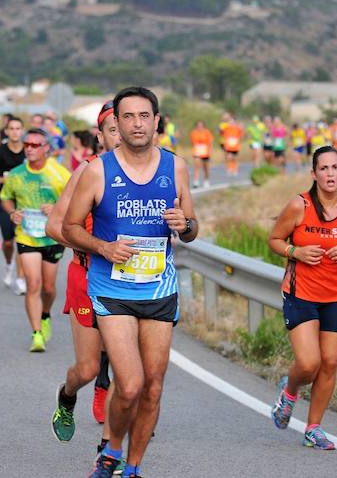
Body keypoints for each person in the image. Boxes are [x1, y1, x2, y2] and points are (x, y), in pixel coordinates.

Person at [64, 86, 198, 478]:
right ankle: (111, 451)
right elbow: (70, 227)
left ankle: (133, 467)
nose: (137, 124)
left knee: (153, 386)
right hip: (112, 290)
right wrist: (103, 248)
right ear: (116, 125)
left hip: (159, 288)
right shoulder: (97, 170)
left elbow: (192, 228)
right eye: (128, 117)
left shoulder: (176, 167)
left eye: (144, 116)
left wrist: (184, 225)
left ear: (157, 121)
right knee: (130, 384)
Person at [267, 145, 337, 450]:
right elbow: (274, 240)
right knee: (309, 363)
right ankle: (290, 390)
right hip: (301, 293)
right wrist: (295, 251)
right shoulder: (299, 206)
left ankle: (313, 428)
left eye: (334, 167)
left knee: (330, 363)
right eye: (323, 168)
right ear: (314, 174)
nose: (329, 174)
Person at [46, 101, 121, 454]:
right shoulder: (86, 172)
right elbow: (53, 226)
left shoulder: (154, 173)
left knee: (128, 367)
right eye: (112, 130)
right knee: (88, 368)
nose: (121, 136)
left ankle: (108, 450)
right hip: (88, 277)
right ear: (100, 136)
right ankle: (68, 394)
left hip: (131, 282)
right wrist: (95, 247)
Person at [0, 127, 71, 352]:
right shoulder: (17, 174)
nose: (29, 149)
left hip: (52, 237)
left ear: (46, 148)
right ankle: (37, 333)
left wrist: (57, 208)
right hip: (27, 236)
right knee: (33, 284)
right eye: (26, 145)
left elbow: (76, 202)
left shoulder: (60, 174)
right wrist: (12, 213)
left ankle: (46, 314)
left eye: (34, 145)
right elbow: (5, 199)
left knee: (48, 288)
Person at [0, 115, 27, 294]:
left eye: (17, 128)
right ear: (6, 132)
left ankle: (21, 278)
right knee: (8, 242)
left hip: (24, 202)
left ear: (22, 131)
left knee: (22, 240)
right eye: (11, 129)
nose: (14, 132)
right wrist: (6, 178)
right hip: (4, 201)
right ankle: (9, 264)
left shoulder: (28, 151)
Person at [189, 120, 213, 188]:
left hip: (205, 152)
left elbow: (210, 142)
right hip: (197, 152)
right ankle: (196, 181)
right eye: (198, 126)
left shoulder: (207, 132)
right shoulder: (193, 132)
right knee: (197, 166)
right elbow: (192, 142)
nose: (200, 127)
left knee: (206, 168)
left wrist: (210, 151)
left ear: (203, 126)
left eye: (201, 126)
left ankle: (206, 180)